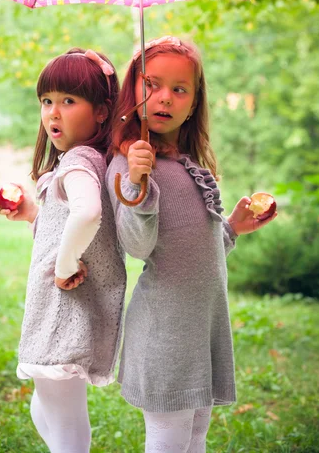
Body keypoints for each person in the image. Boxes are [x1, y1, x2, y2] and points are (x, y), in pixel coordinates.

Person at [106, 36, 277, 453]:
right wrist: (137, 183)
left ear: (194, 101)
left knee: (196, 433)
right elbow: (137, 246)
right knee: (169, 437)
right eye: (152, 84)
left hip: (200, 326)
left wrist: (232, 228)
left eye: (179, 89)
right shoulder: (126, 165)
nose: (164, 97)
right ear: (133, 90)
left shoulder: (184, 160)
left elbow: (192, 250)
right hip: (166, 331)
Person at [0, 48, 126, 453]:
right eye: (47, 101)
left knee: (67, 424)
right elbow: (67, 224)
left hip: (64, 311)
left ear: (102, 112)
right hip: (64, 311)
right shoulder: (87, 161)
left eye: (69, 101)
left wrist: (65, 264)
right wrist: (34, 214)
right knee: (45, 407)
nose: (53, 112)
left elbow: (87, 214)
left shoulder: (79, 161)